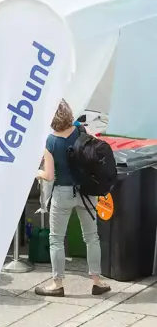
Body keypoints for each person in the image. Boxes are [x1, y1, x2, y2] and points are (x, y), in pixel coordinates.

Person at [35, 100, 111, 297]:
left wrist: (36, 172)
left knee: (56, 240)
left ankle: (57, 284)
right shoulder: (81, 133)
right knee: (91, 237)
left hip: (62, 193)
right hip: (86, 193)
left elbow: (49, 176)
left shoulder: (50, 142)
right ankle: (97, 281)